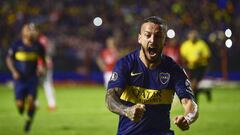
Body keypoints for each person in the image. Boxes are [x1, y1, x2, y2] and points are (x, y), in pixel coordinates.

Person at [105, 16, 198, 135]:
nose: (152, 40)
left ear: (165, 41)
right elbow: (110, 98)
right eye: (147, 35)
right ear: (139, 38)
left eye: (158, 36)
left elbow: (190, 103)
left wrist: (187, 118)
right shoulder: (126, 64)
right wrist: (126, 110)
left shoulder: (174, 70)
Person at [6, 23, 46, 132]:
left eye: (33, 30)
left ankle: (29, 121)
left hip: (32, 78)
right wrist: (14, 71)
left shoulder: (39, 46)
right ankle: (22, 108)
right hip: (19, 78)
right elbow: (9, 59)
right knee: (20, 106)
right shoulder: (16, 45)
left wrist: (41, 68)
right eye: (29, 30)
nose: (32, 32)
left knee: (32, 102)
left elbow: (43, 60)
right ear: (23, 32)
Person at [180, 30, 211, 103]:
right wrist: (187, 61)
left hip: (200, 67)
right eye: (191, 36)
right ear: (188, 37)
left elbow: (207, 56)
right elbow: (183, 57)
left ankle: (194, 102)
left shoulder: (201, 44)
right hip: (189, 67)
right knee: (192, 86)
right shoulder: (185, 45)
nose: (192, 38)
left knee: (194, 84)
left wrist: (198, 60)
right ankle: (205, 92)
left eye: (194, 36)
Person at [38, 34, 56, 111]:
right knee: (45, 85)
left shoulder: (46, 49)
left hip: (44, 68)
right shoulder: (39, 47)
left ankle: (51, 104)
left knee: (47, 85)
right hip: (38, 67)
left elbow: (48, 59)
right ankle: (35, 103)